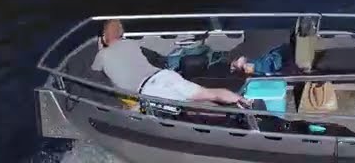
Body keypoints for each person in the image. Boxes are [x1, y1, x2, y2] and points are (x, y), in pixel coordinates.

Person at [92, 19, 250, 106]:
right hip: (165, 76)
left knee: (191, 107)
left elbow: (96, 72)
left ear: (103, 39)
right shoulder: (130, 44)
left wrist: (101, 48)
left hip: (150, 89)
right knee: (209, 94)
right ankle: (241, 100)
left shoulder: (102, 56)